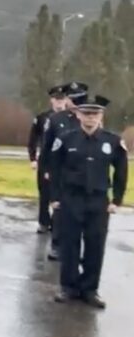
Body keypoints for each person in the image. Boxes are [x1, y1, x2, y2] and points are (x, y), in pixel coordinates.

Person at [49, 95, 128, 309]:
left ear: (101, 116)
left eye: (95, 114)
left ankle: (90, 289)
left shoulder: (112, 141)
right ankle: (68, 287)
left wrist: (117, 199)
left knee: (95, 245)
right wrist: (54, 197)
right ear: (78, 114)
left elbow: (121, 171)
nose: (90, 118)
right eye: (86, 113)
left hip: (98, 200)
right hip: (71, 198)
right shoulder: (66, 139)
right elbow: (54, 168)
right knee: (69, 244)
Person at [40, 81, 87, 260]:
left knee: (80, 211)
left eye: (79, 98)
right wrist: (45, 169)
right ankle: (57, 245)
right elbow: (46, 147)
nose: (75, 102)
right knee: (59, 209)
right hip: (60, 171)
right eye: (72, 98)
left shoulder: (87, 118)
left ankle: (75, 247)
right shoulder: (56, 119)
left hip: (82, 171)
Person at [28, 85, 67, 233]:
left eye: (62, 99)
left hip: (64, 162)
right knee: (44, 193)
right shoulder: (42, 118)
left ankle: (58, 223)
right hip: (46, 160)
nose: (59, 102)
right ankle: (44, 222)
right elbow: (33, 139)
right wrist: (32, 158)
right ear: (52, 100)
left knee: (61, 194)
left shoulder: (72, 118)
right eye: (56, 99)